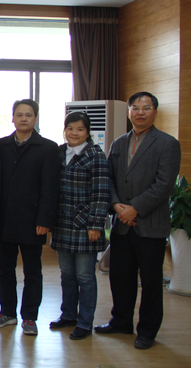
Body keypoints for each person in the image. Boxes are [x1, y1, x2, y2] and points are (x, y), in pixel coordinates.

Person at [94, 92, 181, 350]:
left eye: (146, 107)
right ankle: (121, 321)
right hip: (121, 224)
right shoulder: (119, 143)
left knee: (151, 282)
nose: (140, 112)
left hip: (150, 225)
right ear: (129, 111)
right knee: (120, 278)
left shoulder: (167, 144)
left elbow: (164, 185)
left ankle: (147, 331)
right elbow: (108, 178)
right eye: (135, 107)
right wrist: (116, 206)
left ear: (155, 112)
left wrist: (135, 209)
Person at [0, 99, 60, 336]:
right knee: (5, 270)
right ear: (12, 118)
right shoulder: (1, 145)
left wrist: (44, 220)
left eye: (28, 115)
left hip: (33, 221)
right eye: (19, 114)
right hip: (5, 219)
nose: (23, 119)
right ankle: (7, 312)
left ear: (36, 119)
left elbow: (50, 188)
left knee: (32, 272)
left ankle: (30, 316)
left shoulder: (48, 148)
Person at [50, 112, 110, 340]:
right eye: (70, 128)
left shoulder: (96, 155)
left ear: (87, 132)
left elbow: (101, 193)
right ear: (64, 130)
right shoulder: (59, 152)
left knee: (85, 276)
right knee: (67, 274)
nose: (74, 133)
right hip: (62, 223)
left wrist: (95, 224)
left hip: (86, 225)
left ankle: (85, 322)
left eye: (80, 129)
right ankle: (68, 315)